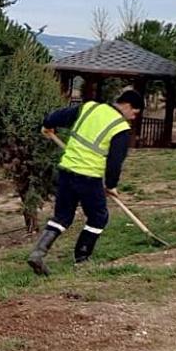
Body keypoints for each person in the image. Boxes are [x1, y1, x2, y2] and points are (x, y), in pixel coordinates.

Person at [27, 89, 143, 275]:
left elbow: (55, 117)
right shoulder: (120, 128)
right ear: (127, 105)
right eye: (134, 113)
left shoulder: (89, 108)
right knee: (98, 217)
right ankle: (82, 259)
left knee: (63, 217)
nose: (133, 117)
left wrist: (48, 125)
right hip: (89, 178)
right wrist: (111, 185)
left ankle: (38, 253)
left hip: (66, 171)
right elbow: (115, 161)